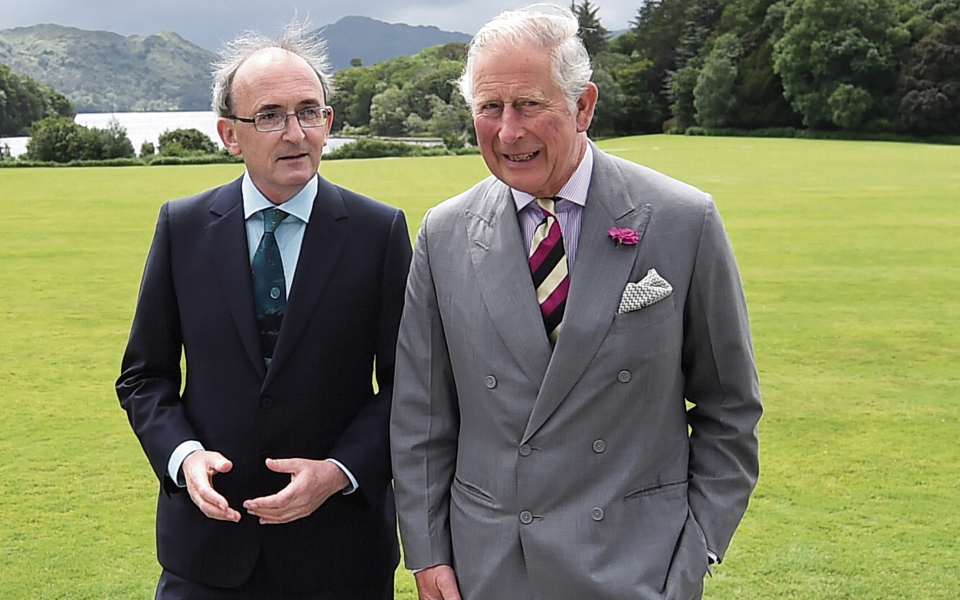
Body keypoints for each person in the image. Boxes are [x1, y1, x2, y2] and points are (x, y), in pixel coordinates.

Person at [389, 5, 762, 600]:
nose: (508, 131)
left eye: (529, 105)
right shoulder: (444, 232)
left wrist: (697, 550)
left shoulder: (682, 220)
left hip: (637, 565)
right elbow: (421, 417)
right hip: (488, 570)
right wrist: (428, 555)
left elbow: (730, 407)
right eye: (490, 107)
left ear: (583, 106)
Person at [117, 23, 411, 600]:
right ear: (230, 133)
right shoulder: (182, 227)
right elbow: (144, 376)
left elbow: (409, 387)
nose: (295, 132)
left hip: (340, 555)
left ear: (329, 122)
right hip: (205, 553)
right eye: (271, 115)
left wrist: (338, 472)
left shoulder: (381, 232)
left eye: (310, 111)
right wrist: (184, 458)